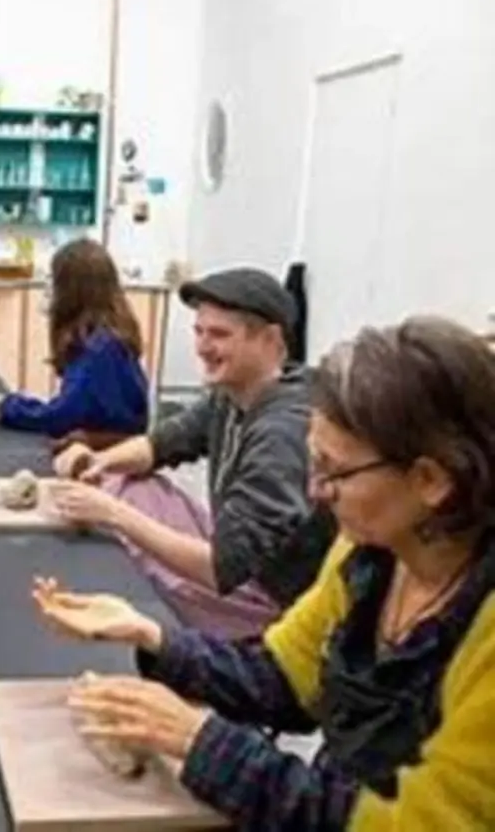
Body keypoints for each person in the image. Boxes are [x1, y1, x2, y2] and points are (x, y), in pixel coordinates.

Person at [34, 317, 495, 830]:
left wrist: (199, 740)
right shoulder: (370, 552)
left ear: (430, 480)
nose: (316, 491)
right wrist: (155, 635)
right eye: (312, 465)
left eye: (334, 471)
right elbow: (284, 680)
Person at [51, 267, 326, 638]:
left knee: (127, 511)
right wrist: (100, 461)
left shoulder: (282, 432)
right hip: (242, 563)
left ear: (271, 339)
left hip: (277, 601)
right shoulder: (232, 395)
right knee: (127, 479)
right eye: (199, 332)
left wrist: (115, 515)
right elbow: (164, 442)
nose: (202, 347)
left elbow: (221, 569)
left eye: (219, 335)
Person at [0, 238, 149, 445]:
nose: (47, 291)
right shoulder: (104, 338)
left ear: (72, 291)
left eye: (52, 282)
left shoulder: (100, 348)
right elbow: (68, 409)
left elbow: (58, 417)